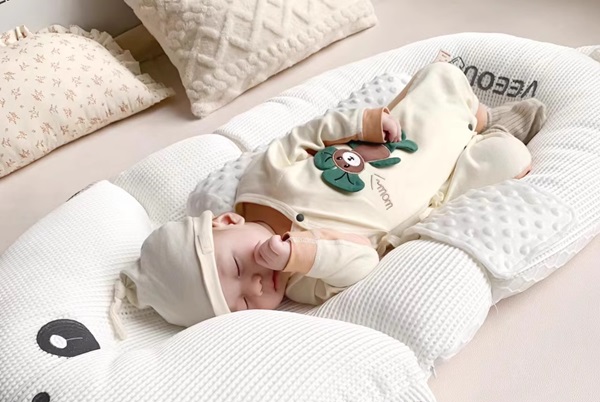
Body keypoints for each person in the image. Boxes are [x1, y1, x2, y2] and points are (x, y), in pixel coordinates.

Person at [110, 60, 546, 335]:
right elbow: (362, 261)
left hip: (396, 145)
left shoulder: (262, 181)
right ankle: (496, 131)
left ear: (226, 222)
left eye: (239, 267)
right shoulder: (304, 283)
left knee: (441, 78)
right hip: (436, 196)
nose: (258, 283)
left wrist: (365, 124)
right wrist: (304, 254)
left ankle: (479, 116)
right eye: (243, 303)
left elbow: (309, 135)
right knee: (508, 159)